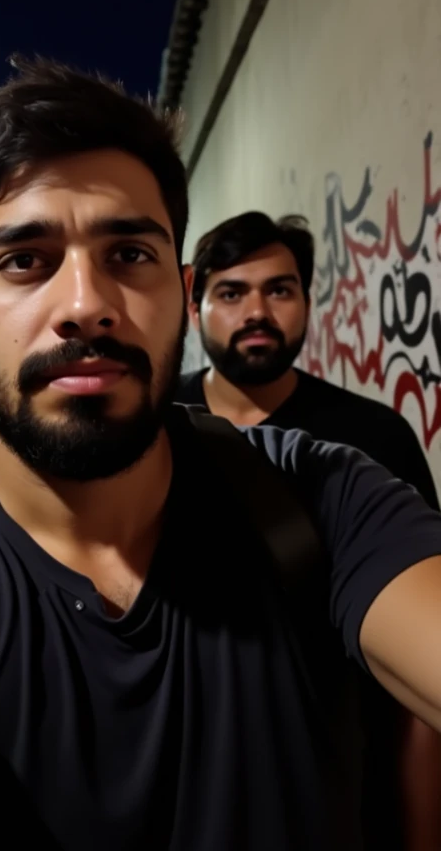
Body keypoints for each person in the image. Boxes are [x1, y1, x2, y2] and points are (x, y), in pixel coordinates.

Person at [0, 60, 441, 851]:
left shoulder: (322, 495)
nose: (85, 305)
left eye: (129, 255)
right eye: (23, 261)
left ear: (181, 294)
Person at [177, 209, 441, 849]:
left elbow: (413, 697)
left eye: (280, 289)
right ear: (195, 305)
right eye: (231, 293)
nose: (257, 312)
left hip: (341, 785)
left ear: (305, 301)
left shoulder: (376, 437)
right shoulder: (149, 430)